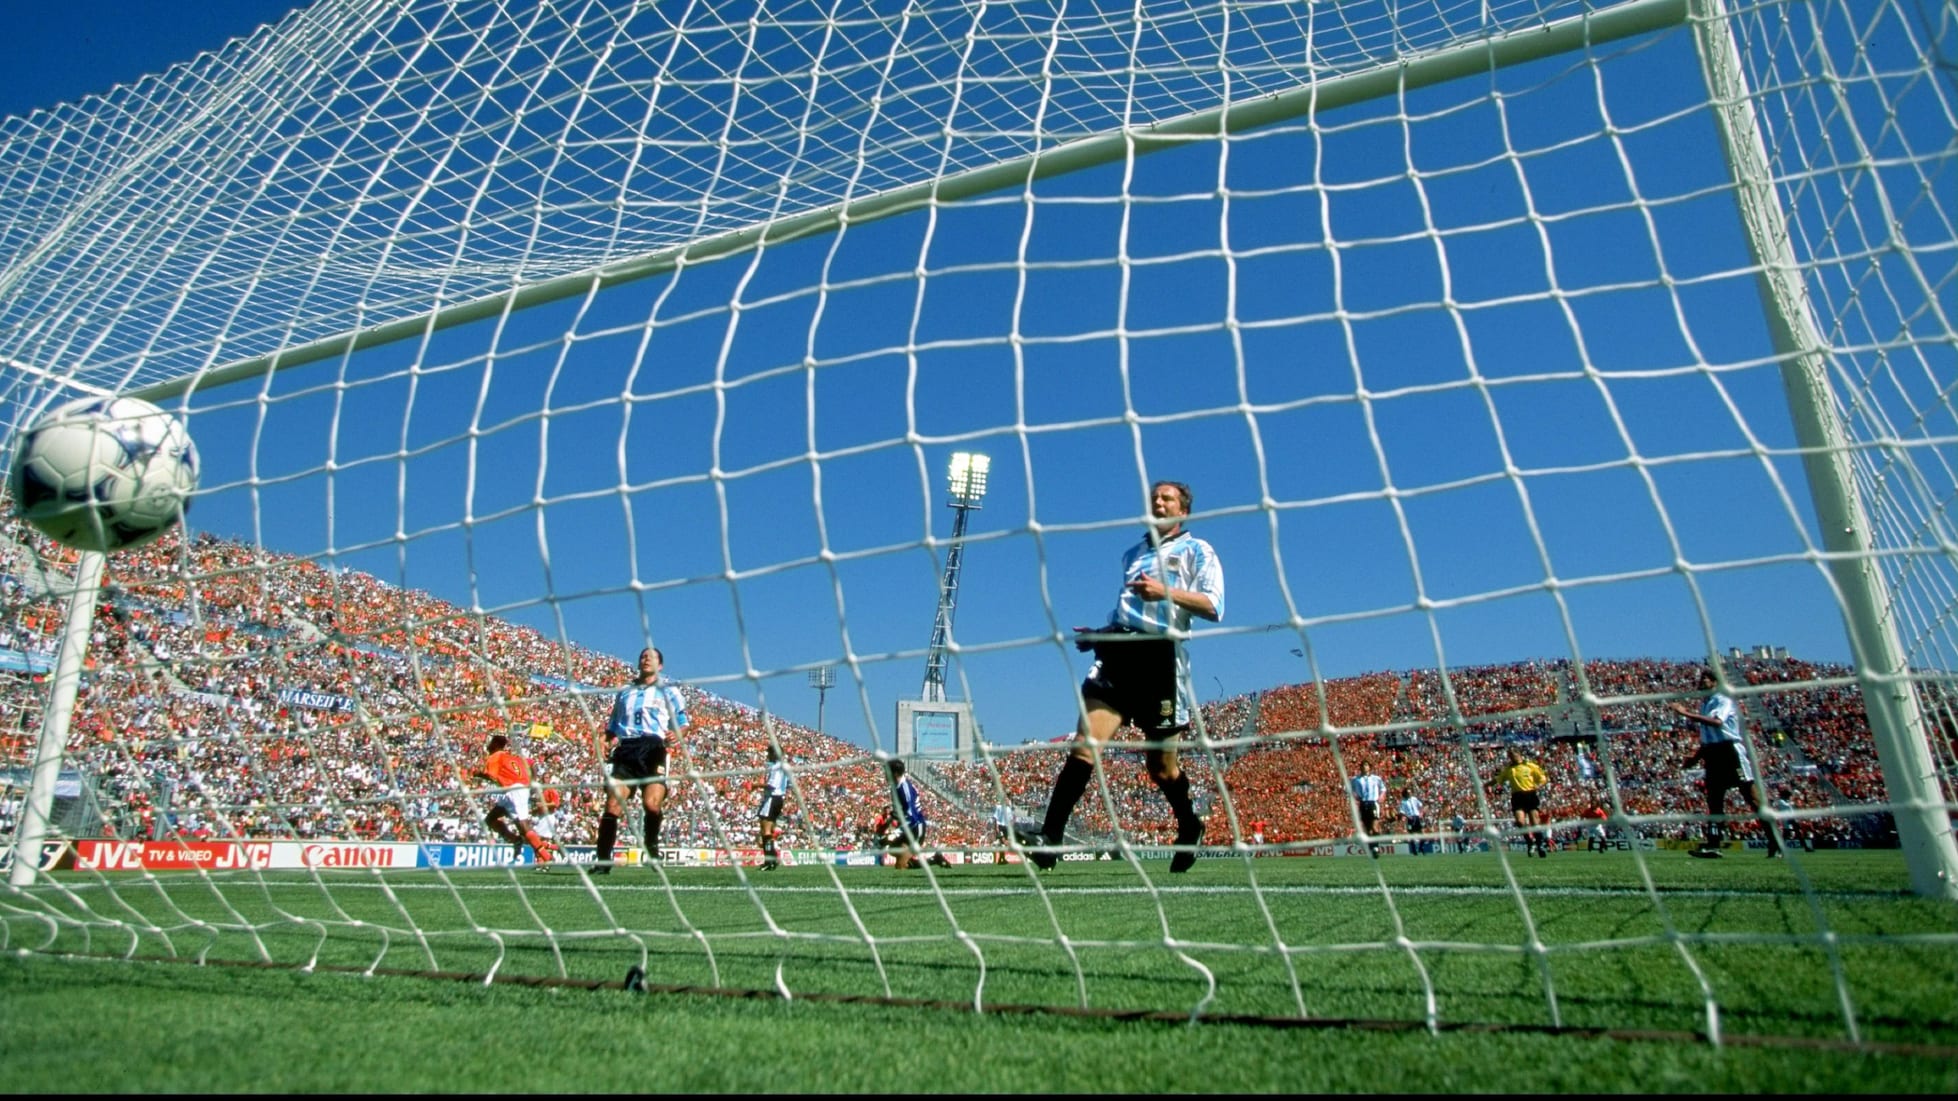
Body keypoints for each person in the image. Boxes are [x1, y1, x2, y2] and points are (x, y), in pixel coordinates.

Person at [1018, 480, 1224, 874]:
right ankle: (1050, 839)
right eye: (1154, 498)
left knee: (1160, 769)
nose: (1158, 503)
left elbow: (1214, 606)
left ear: (1183, 510)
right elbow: (1128, 612)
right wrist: (1100, 635)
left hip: (1161, 660)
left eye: (1167, 498)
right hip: (1118, 657)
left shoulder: (1198, 550)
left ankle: (1190, 823)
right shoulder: (1133, 553)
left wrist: (1164, 591)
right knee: (1085, 744)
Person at [590, 646, 688, 875]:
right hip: (627, 749)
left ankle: (652, 850)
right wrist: (605, 739)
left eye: (651, 658)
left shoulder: (669, 691)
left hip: (654, 748)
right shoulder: (625, 691)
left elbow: (683, 722)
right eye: (643, 656)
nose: (646, 660)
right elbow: (613, 725)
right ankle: (603, 861)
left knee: (652, 805)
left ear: (660, 666)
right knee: (613, 804)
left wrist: (678, 733)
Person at [1671, 662, 1783, 859]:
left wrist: (1685, 713)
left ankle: (1776, 841)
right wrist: (1696, 758)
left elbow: (1717, 723)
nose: (1701, 683)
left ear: (1715, 683)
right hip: (1713, 754)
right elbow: (1707, 738)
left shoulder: (1722, 699)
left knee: (1752, 798)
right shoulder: (1704, 704)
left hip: (1730, 752)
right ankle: (1713, 845)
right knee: (1714, 801)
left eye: (1705, 680)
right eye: (1699, 681)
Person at [468, 734, 553, 867]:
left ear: (495, 745)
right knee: (490, 819)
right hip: (512, 790)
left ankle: (546, 856)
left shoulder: (495, 756)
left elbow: (492, 777)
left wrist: (477, 774)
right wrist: (532, 781)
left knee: (524, 826)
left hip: (515, 789)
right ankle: (516, 840)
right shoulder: (513, 757)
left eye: (490, 743)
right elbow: (531, 764)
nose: (488, 746)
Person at [1496, 744, 1550, 857]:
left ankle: (1540, 844)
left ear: (1518, 754)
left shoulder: (1530, 766)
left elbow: (1543, 778)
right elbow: (1498, 779)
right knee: (1520, 822)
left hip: (1530, 794)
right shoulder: (1509, 769)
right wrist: (1487, 785)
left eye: (1512, 755)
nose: (1510, 758)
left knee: (1535, 822)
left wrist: (1538, 786)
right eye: (1509, 756)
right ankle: (1530, 842)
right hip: (1517, 796)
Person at [757, 742, 791, 870]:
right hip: (779, 799)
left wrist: (755, 786)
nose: (767, 755)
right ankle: (772, 859)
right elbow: (788, 785)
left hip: (772, 798)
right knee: (768, 830)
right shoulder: (785, 767)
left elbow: (772, 785)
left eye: (769, 753)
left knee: (765, 830)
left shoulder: (776, 767)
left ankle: (769, 861)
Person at [1350, 763, 1386, 857]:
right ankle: (1372, 848)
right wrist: (1355, 796)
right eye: (1363, 765)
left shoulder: (1376, 778)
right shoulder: (1355, 779)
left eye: (1366, 765)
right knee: (1368, 830)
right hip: (1363, 804)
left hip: (1373, 803)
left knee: (1374, 827)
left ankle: (1376, 847)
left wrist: (1381, 797)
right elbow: (1349, 789)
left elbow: (1383, 789)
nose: (1364, 767)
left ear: (1370, 767)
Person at [1396, 789, 1426, 855]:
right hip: (1410, 819)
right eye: (1408, 792)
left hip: (1417, 817)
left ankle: (1421, 847)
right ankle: (1414, 850)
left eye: (1410, 792)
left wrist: (1421, 813)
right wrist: (1408, 816)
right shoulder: (1403, 802)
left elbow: (1420, 805)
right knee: (1411, 834)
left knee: (1422, 834)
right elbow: (1401, 812)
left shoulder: (1414, 799)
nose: (1410, 793)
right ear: (1405, 793)